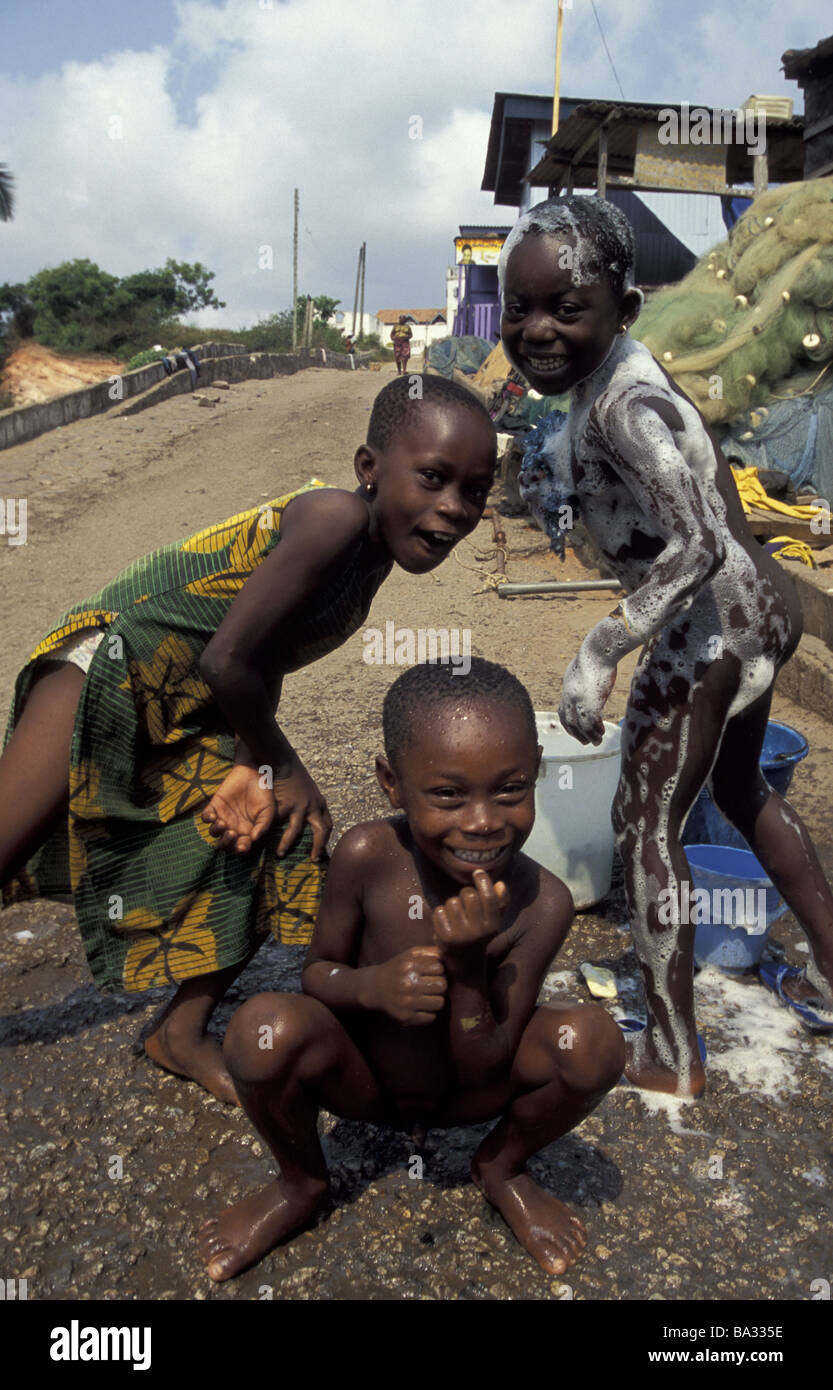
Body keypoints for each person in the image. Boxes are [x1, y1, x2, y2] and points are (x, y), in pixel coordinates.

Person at [0, 375, 497, 1105]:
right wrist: (277, 762)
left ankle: (179, 1031)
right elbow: (225, 656)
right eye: (432, 478)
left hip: (190, 703)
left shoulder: (370, 555)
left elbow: (264, 652)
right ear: (369, 468)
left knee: (284, 834)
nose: (453, 508)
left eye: (475, 491)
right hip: (108, 670)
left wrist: (249, 766)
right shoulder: (331, 519)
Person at [498, 194, 833, 1097]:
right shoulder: (610, 386)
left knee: (641, 823)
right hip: (759, 607)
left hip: (710, 621)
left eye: (565, 310)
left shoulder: (623, 405)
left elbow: (695, 545)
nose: (536, 330)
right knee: (736, 786)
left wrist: (598, 651)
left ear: (623, 312)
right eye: (517, 309)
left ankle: (674, 1053)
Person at [197, 658, 624, 1282]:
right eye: (448, 794)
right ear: (392, 783)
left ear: (536, 771)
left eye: (510, 789)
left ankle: (501, 1166)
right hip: (364, 1084)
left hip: (467, 1092)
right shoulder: (367, 856)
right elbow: (317, 974)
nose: (482, 821)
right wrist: (372, 986)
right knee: (259, 1030)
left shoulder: (543, 903)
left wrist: (469, 966)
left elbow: (487, 1060)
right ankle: (301, 1183)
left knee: (591, 1044)